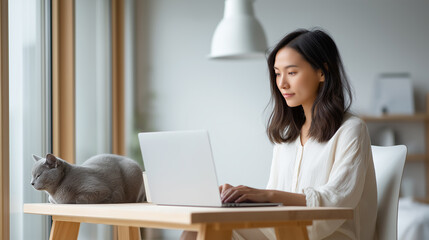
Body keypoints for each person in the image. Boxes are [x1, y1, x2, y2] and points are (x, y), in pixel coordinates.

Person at [181, 28, 377, 240]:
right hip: (285, 232)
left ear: (322, 72)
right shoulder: (287, 137)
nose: (282, 83)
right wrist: (240, 197)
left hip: (330, 236)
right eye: (277, 73)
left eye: (292, 72)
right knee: (200, 226)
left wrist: (266, 195)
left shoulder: (351, 129)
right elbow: (272, 204)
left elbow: (336, 200)